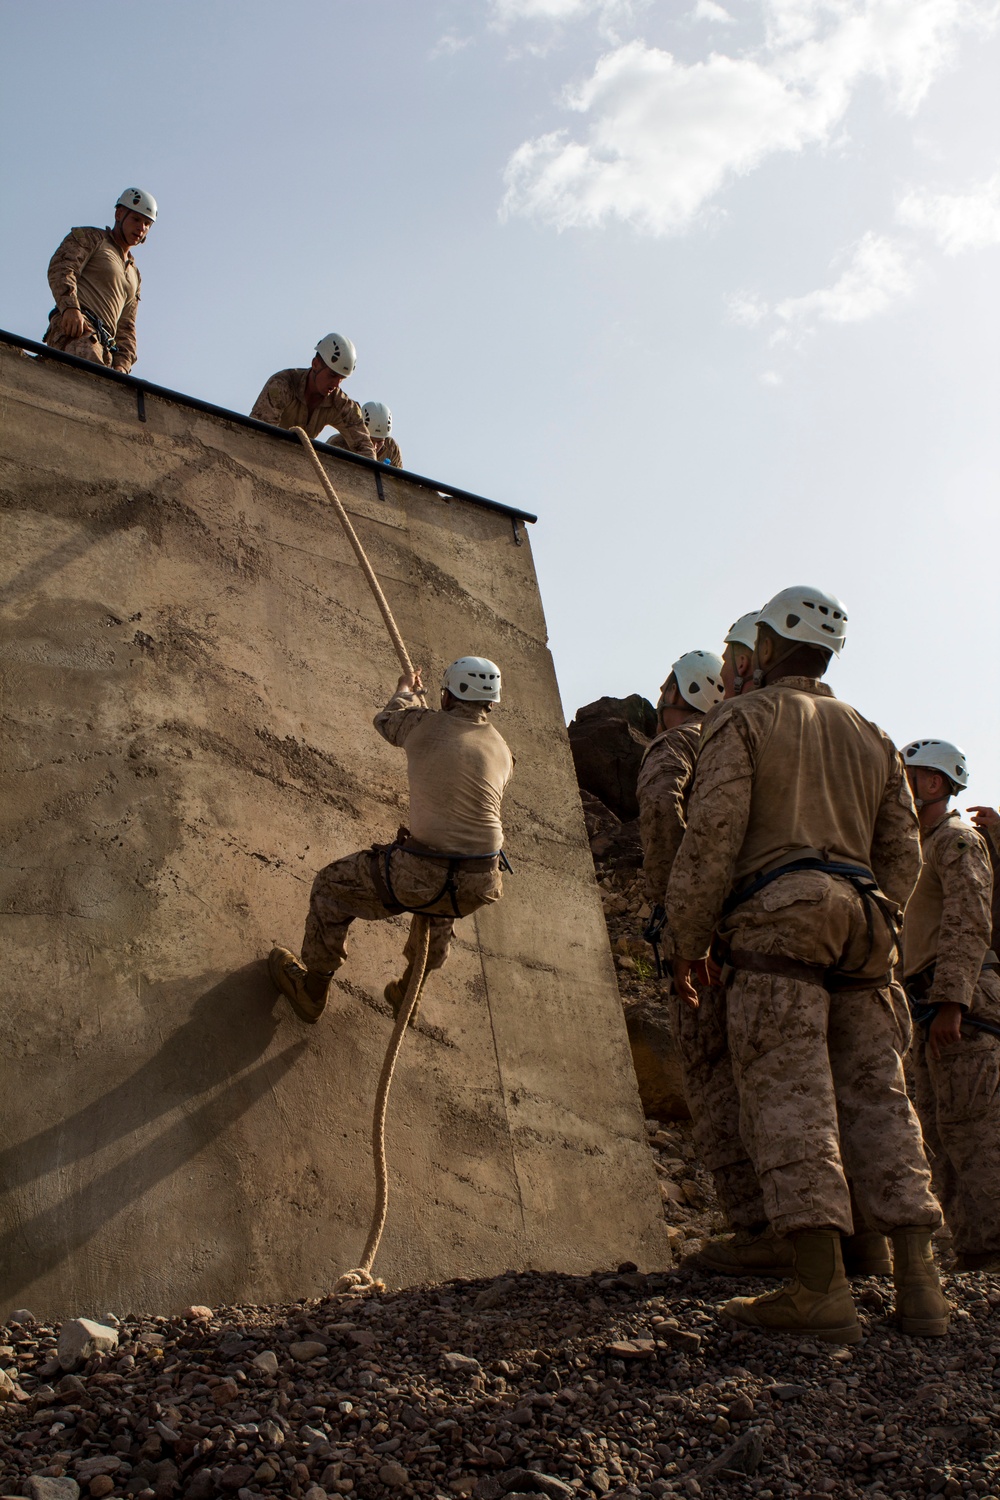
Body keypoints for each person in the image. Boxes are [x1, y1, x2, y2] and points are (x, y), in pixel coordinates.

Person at [667, 585, 948, 1343]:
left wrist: (687, 942)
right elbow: (901, 850)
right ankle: (920, 1287)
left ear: (766, 647)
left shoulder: (744, 716)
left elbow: (714, 832)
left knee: (790, 1093)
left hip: (779, 921)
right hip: (863, 925)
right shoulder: (871, 732)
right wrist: (880, 916)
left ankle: (820, 1289)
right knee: (879, 1097)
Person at [269, 657, 513, 1026]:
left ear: (446, 697)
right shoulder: (504, 752)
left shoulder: (424, 723)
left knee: (331, 887)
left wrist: (405, 689)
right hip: (481, 879)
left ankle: (311, 993)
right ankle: (407, 993)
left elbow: (388, 720)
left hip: (422, 871)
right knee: (440, 906)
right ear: (491, 703)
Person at [901, 740, 1000, 1273]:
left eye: (908, 775)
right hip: (929, 999)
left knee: (975, 1129)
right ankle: (976, 1249)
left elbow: (968, 921)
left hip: (956, 999)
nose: (899, 785)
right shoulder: (921, 845)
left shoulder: (956, 842)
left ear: (933, 783)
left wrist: (952, 1002)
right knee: (940, 1129)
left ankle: (994, 1252)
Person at [43, 187, 157, 373]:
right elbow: (62, 268)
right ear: (119, 214)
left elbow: (127, 326)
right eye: (136, 219)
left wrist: (123, 364)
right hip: (78, 331)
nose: (141, 228)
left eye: (147, 224)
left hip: (105, 348)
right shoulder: (92, 238)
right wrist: (70, 308)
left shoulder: (134, 274)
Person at [250, 334, 376, 458]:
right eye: (332, 375)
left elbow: (366, 451)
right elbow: (257, 433)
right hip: (263, 458)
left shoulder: (342, 405)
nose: (336, 384)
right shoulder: (283, 385)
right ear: (315, 364)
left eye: (341, 378)